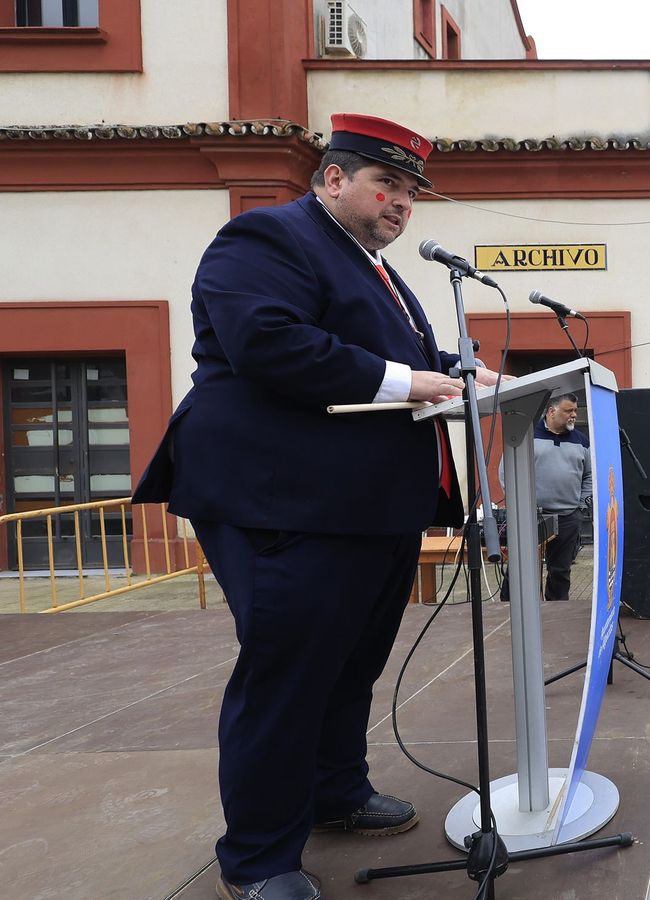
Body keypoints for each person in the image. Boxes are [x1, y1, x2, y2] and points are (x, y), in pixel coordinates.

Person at [131, 115, 502, 900]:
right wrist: (414, 382)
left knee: (351, 662)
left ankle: (336, 791)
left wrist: (458, 371)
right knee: (290, 673)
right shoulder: (266, 239)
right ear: (333, 179)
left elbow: (397, 358)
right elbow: (265, 341)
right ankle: (261, 860)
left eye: (410, 192)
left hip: (367, 504)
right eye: (386, 185)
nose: (401, 204)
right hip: (282, 499)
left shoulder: (378, 271)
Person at [535, 392, 593, 601]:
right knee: (520, 570)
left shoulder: (582, 441)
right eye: (569, 410)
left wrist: (581, 507)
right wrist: (520, 505)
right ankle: (509, 612)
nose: (574, 415)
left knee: (560, 571)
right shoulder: (526, 435)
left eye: (575, 411)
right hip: (533, 516)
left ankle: (557, 615)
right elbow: (508, 472)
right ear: (551, 411)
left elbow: (589, 475)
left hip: (569, 517)